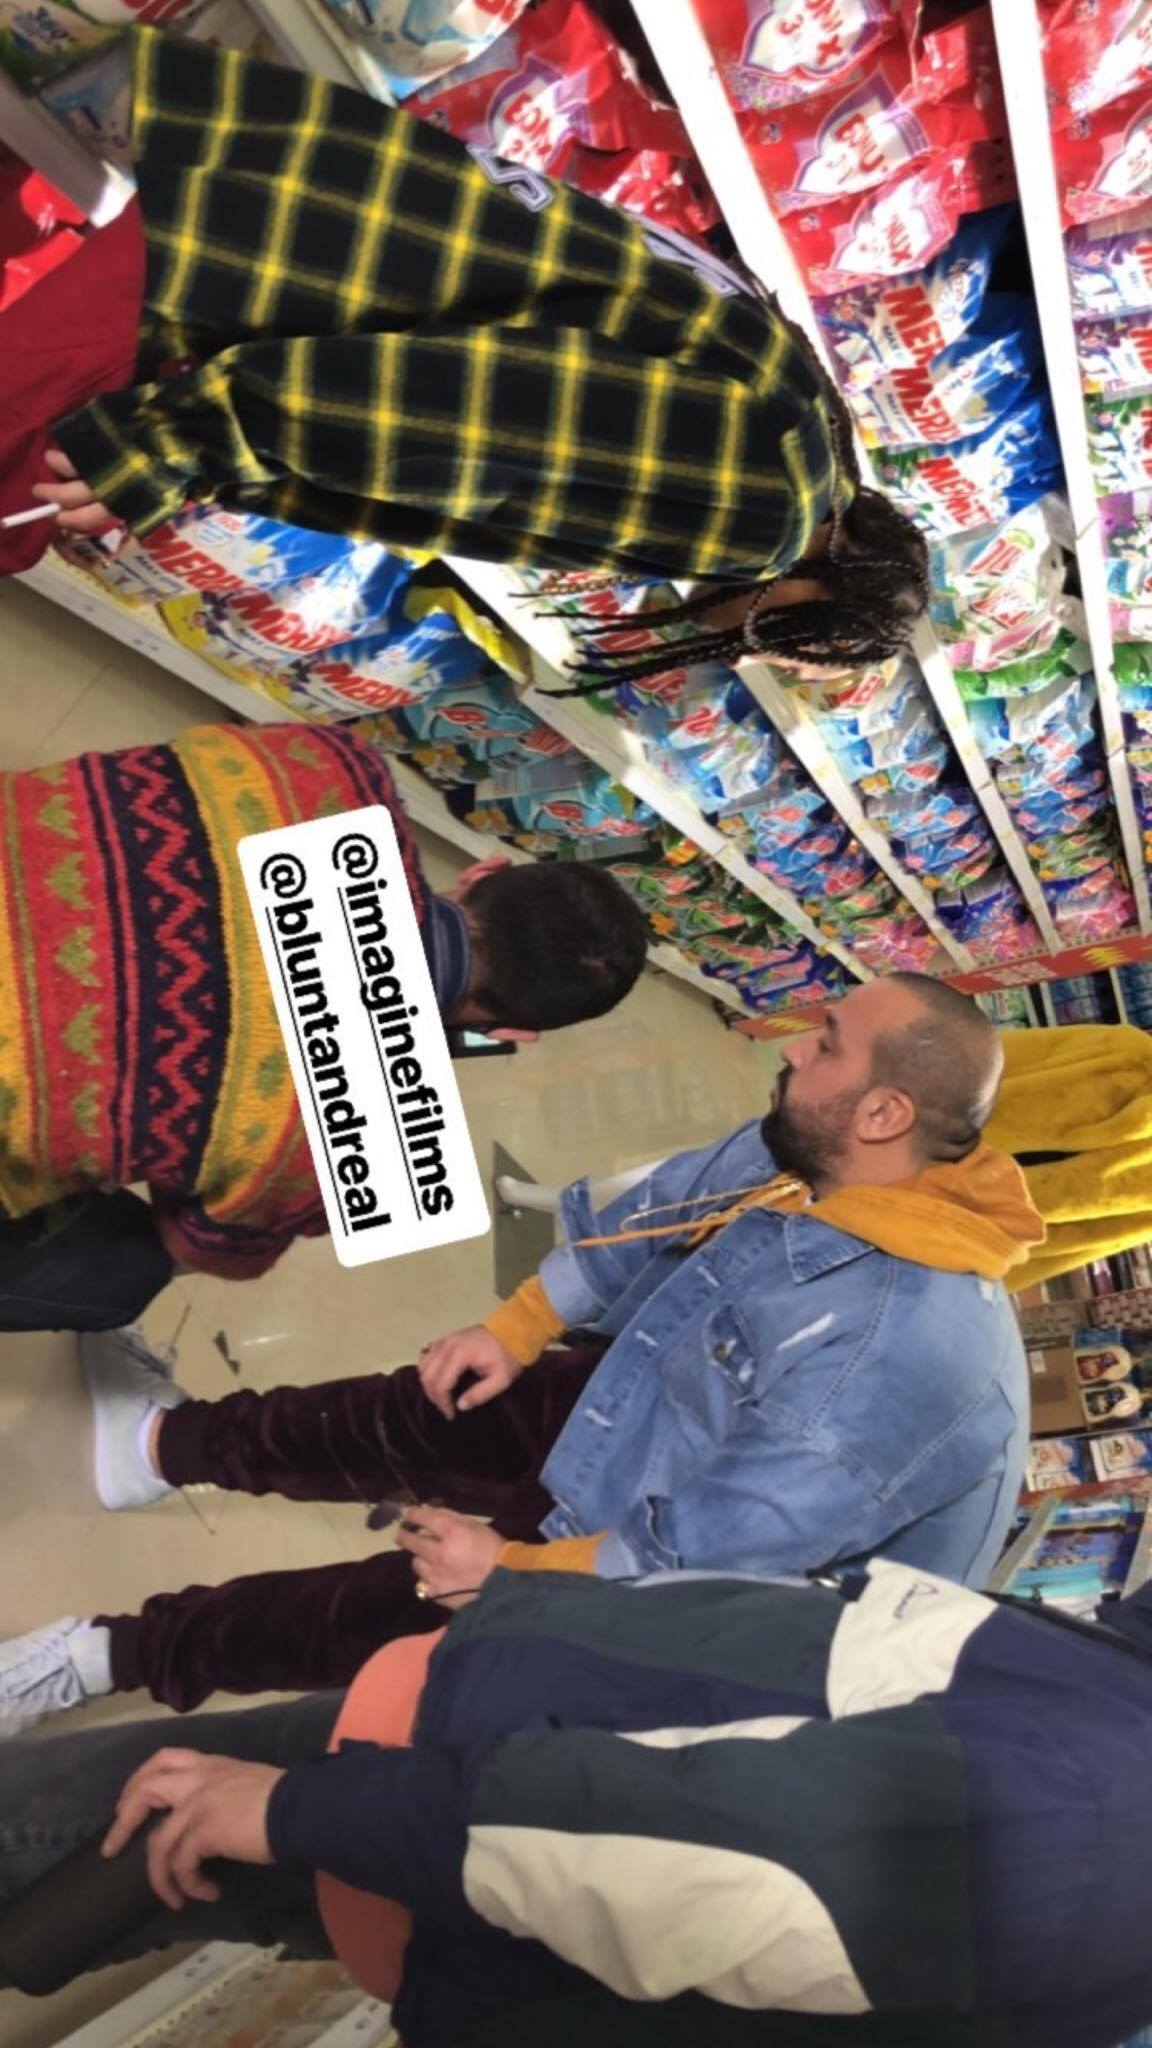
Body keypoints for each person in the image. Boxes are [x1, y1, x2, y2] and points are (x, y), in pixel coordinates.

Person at [0, 973, 1045, 1727]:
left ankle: (104, 1656)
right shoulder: (834, 1146)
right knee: (418, 1405)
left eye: (826, 1043)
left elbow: (711, 1552)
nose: (792, 1049)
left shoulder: (894, 1360)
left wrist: (513, 1572)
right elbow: (666, 1206)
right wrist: (518, 1326)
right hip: (663, 1392)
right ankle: (155, 1447)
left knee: (377, 1615)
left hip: (691, 1581)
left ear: (884, 1110)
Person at [14, 26, 930, 689]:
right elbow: (463, 417)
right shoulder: (763, 515)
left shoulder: (800, 410)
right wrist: (180, 444)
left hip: (302, 212)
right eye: (796, 650)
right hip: (253, 275)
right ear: (814, 595)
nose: (763, 659)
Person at [3, 1558, 1152, 2048]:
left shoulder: (1101, 1817)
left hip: (426, 1793)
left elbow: (711, 1853)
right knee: (100, 1885)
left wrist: (305, 1811)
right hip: (454, 1779)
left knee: (59, 1829)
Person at [0, 719, 648, 1327]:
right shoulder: (360, 1138)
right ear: (511, 1033)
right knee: (129, 1271)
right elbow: (203, 1247)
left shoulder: (335, 761)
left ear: (485, 870)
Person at [986, 1021, 1152, 1290]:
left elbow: (1059, 1245)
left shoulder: (1126, 1051)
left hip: (949, 1228)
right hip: (925, 1139)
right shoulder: (1127, 1054)